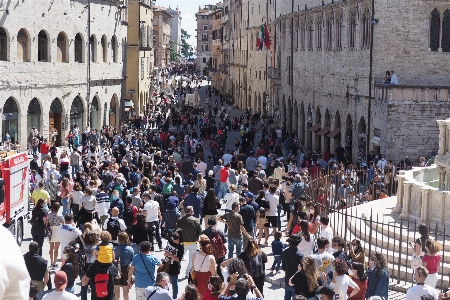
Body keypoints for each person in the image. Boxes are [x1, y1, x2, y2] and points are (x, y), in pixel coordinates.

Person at [177, 206, 202, 278]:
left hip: (183, 243)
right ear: (191, 212)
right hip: (193, 242)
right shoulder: (195, 220)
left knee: (179, 258)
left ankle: (176, 271)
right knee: (192, 259)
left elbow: (177, 230)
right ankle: (188, 273)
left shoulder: (180, 219)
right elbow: (199, 231)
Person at [163, 228, 185, 299]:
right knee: (165, 283)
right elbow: (167, 248)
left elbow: (178, 259)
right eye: (174, 233)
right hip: (166, 264)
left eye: (176, 234)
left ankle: (174, 298)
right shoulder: (170, 239)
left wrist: (169, 255)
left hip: (174, 267)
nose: (174, 236)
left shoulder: (180, 246)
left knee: (174, 284)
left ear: (180, 237)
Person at [282, 234, 305, 300]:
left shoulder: (284, 252)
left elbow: (284, 267)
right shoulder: (300, 255)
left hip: (287, 280)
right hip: (296, 282)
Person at [114, 232, 134, 300]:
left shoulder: (115, 248)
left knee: (116, 291)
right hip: (126, 270)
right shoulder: (130, 249)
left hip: (117, 269)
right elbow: (132, 260)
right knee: (126, 291)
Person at [47, 202, 64, 267]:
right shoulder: (60, 216)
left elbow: (47, 223)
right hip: (58, 231)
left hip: (51, 231)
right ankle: (54, 262)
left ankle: (51, 262)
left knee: (51, 248)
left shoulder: (49, 215)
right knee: (56, 248)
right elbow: (63, 225)